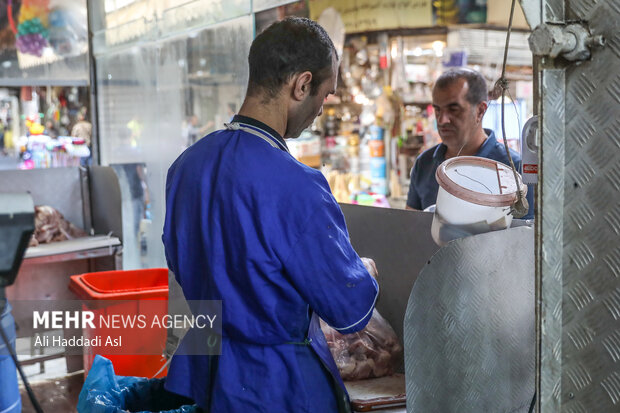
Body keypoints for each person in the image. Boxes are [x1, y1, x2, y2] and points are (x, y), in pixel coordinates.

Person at [162, 17, 379, 413]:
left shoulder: (185, 168)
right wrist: (364, 271)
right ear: (301, 85)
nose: (320, 108)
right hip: (277, 387)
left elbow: (183, 268)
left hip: (200, 373)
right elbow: (349, 308)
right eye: (325, 95)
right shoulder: (298, 185)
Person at [406, 68, 534, 219]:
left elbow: (525, 236)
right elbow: (410, 228)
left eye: (454, 110)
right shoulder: (424, 163)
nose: (442, 120)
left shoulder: (514, 170)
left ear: (480, 111)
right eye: (438, 110)